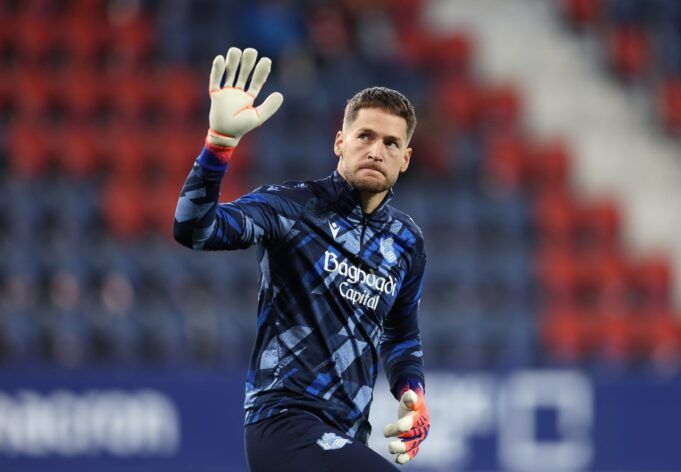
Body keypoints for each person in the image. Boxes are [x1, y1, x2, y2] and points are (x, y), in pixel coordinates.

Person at [174, 46, 430, 471]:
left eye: (391, 143)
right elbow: (194, 229)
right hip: (283, 424)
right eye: (365, 136)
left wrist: (413, 392)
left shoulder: (406, 242)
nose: (376, 150)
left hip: (347, 434)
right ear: (340, 142)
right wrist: (218, 147)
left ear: (404, 159)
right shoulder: (290, 208)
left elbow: (401, 338)